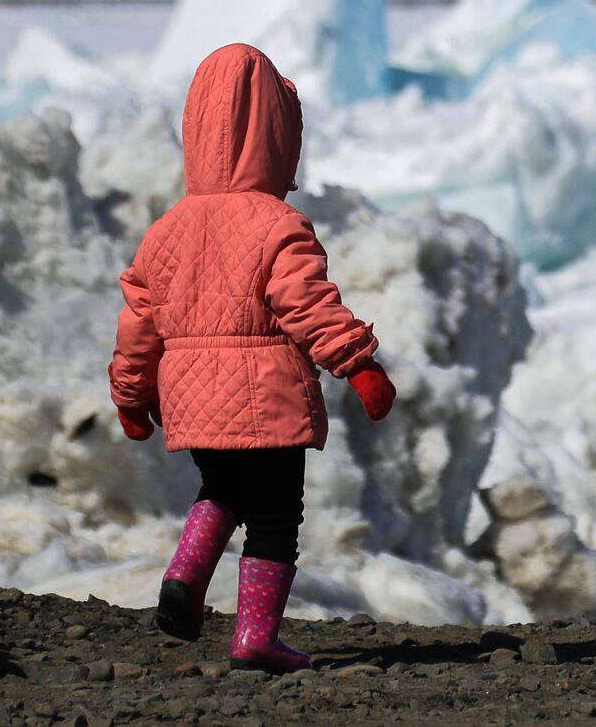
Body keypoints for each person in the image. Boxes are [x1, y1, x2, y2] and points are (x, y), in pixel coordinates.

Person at [107, 43, 396, 673]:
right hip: (264, 394)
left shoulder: (167, 228)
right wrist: (359, 363)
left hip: (190, 395)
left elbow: (139, 323)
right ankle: (255, 638)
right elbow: (306, 304)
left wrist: (131, 396)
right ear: (278, 135)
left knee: (220, 488)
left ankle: (184, 573)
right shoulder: (279, 223)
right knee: (274, 512)